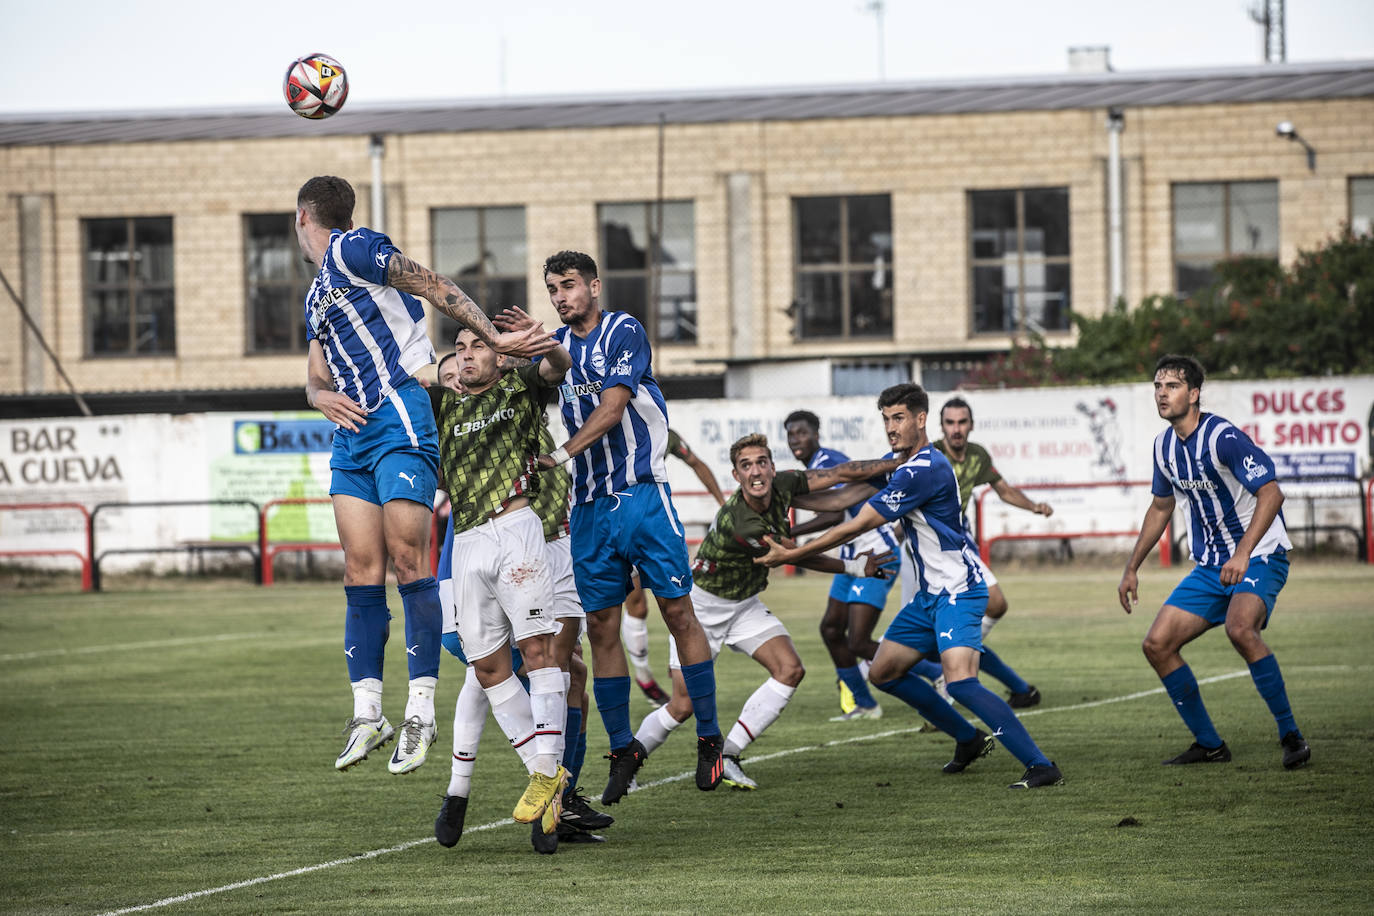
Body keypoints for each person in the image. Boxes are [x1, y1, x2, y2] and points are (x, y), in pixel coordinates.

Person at [297, 175, 550, 776]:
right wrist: (316, 397)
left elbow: (433, 285)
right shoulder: (316, 294)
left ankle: (420, 711)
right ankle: (368, 713)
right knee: (360, 568)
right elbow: (314, 372)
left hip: (400, 416)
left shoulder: (352, 248)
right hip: (352, 431)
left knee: (408, 561)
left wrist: (493, 338)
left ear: (303, 215)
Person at [758, 383, 1064, 789]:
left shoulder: (924, 470)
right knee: (883, 672)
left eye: (898, 417)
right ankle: (967, 738)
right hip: (929, 597)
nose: (891, 426)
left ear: (921, 419)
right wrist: (776, 495)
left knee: (961, 682)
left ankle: (1041, 765)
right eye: (885, 418)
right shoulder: (899, 461)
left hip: (958, 590)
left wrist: (793, 554)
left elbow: (858, 521)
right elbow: (842, 496)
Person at [534, 250, 724, 804]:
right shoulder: (559, 348)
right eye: (552, 289)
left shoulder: (624, 329)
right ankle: (622, 747)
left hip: (642, 494)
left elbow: (614, 407)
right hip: (590, 508)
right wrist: (522, 346)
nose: (560, 296)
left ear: (594, 285)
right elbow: (536, 375)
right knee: (601, 629)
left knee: (677, 611)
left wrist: (559, 454)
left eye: (568, 285)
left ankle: (710, 736)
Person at [633, 433, 901, 790]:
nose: (756, 471)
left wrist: (897, 466)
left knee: (790, 669)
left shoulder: (785, 483)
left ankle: (728, 756)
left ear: (773, 467)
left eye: (762, 462)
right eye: (747, 465)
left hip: (744, 605)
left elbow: (842, 478)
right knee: (683, 705)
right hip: (702, 609)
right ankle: (628, 764)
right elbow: (792, 553)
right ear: (736, 474)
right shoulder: (742, 521)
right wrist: (853, 567)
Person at [432, 340, 614, 854]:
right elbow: (413, 377)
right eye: (458, 352)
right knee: (486, 668)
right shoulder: (444, 403)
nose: (467, 357)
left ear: (500, 359)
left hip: (517, 528)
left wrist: (544, 347)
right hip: (465, 542)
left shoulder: (518, 389)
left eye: (476, 349)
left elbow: (556, 367)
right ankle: (544, 772)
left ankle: (546, 772)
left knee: (542, 652)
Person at [1118, 355, 1309, 769]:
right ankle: (1209, 744)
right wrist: (1132, 567)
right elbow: (1160, 507)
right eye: (1157, 386)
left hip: (1258, 556)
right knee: (1157, 644)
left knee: (1241, 629)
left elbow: (1271, 493)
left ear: (1195, 394)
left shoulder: (1223, 437)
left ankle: (1291, 735)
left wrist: (1242, 553)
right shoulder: (1164, 446)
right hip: (1211, 567)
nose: (1162, 393)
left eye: (1172, 386)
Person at [924, 396, 1049, 708]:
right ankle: (947, 673)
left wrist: (1033, 506)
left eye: (962, 422)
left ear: (971, 425)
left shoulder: (977, 455)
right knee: (925, 632)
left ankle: (953, 662)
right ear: (941, 427)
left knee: (994, 605)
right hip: (927, 548)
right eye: (950, 423)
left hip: (957, 542)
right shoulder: (931, 455)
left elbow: (1003, 489)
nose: (956, 429)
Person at [783, 410, 902, 722]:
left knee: (859, 641)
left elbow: (836, 513)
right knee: (832, 628)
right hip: (854, 556)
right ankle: (864, 704)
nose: (796, 439)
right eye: (791, 434)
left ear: (816, 434)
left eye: (802, 432)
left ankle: (935, 673)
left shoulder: (825, 463)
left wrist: (789, 534)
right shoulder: (815, 465)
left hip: (877, 553)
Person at [623, 428, 727, 707]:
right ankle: (644, 678)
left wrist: (722, 503)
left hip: (652, 522)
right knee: (635, 606)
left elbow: (695, 462)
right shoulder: (606, 421)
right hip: (615, 521)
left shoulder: (664, 434)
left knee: (676, 605)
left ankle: (678, 672)